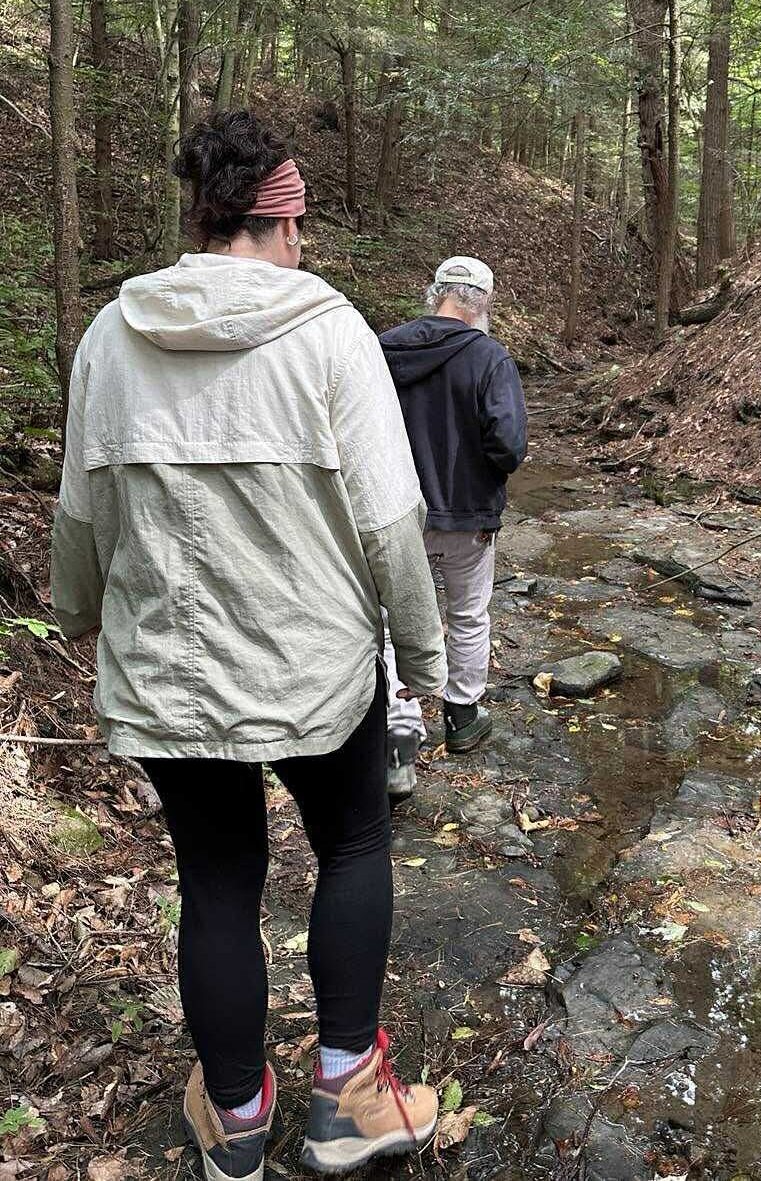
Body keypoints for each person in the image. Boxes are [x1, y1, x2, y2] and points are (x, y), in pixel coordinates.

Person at [50, 110, 446, 1180]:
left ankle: (234, 1118)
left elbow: (84, 510)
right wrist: (427, 661)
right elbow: (388, 521)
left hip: (170, 671)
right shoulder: (331, 334)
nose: (303, 242)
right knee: (353, 844)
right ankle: (347, 1096)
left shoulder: (112, 337)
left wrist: (78, 611)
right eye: (298, 223)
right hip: (317, 666)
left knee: (218, 881)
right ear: (279, 223)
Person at [378, 257, 528, 795]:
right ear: (483, 304)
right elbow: (508, 446)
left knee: (391, 624)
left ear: (434, 293)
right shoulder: (490, 357)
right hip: (468, 515)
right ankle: (462, 716)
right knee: (467, 614)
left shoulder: (382, 349)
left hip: (395, 514)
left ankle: (399, 741)